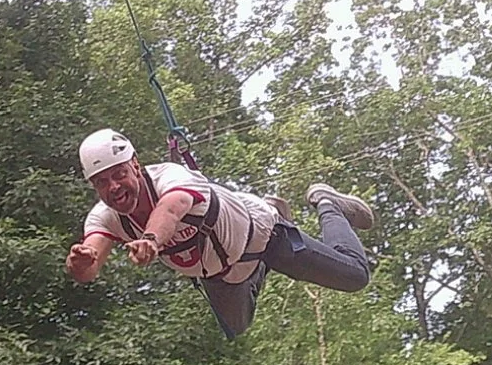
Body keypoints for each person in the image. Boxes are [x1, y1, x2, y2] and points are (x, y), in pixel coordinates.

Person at [65, 128, 375, 339]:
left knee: (355, 275)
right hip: (222, 274)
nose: (114, 187)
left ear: (135, 165)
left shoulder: (171, 178)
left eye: (119, 175)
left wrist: (150, 240)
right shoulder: (106, 217)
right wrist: (82, 264)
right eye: (102, 182)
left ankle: (327, 203)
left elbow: (172, 209)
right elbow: (90, 260)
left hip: (265, 237)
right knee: (236, 327)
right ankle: (256, 269)